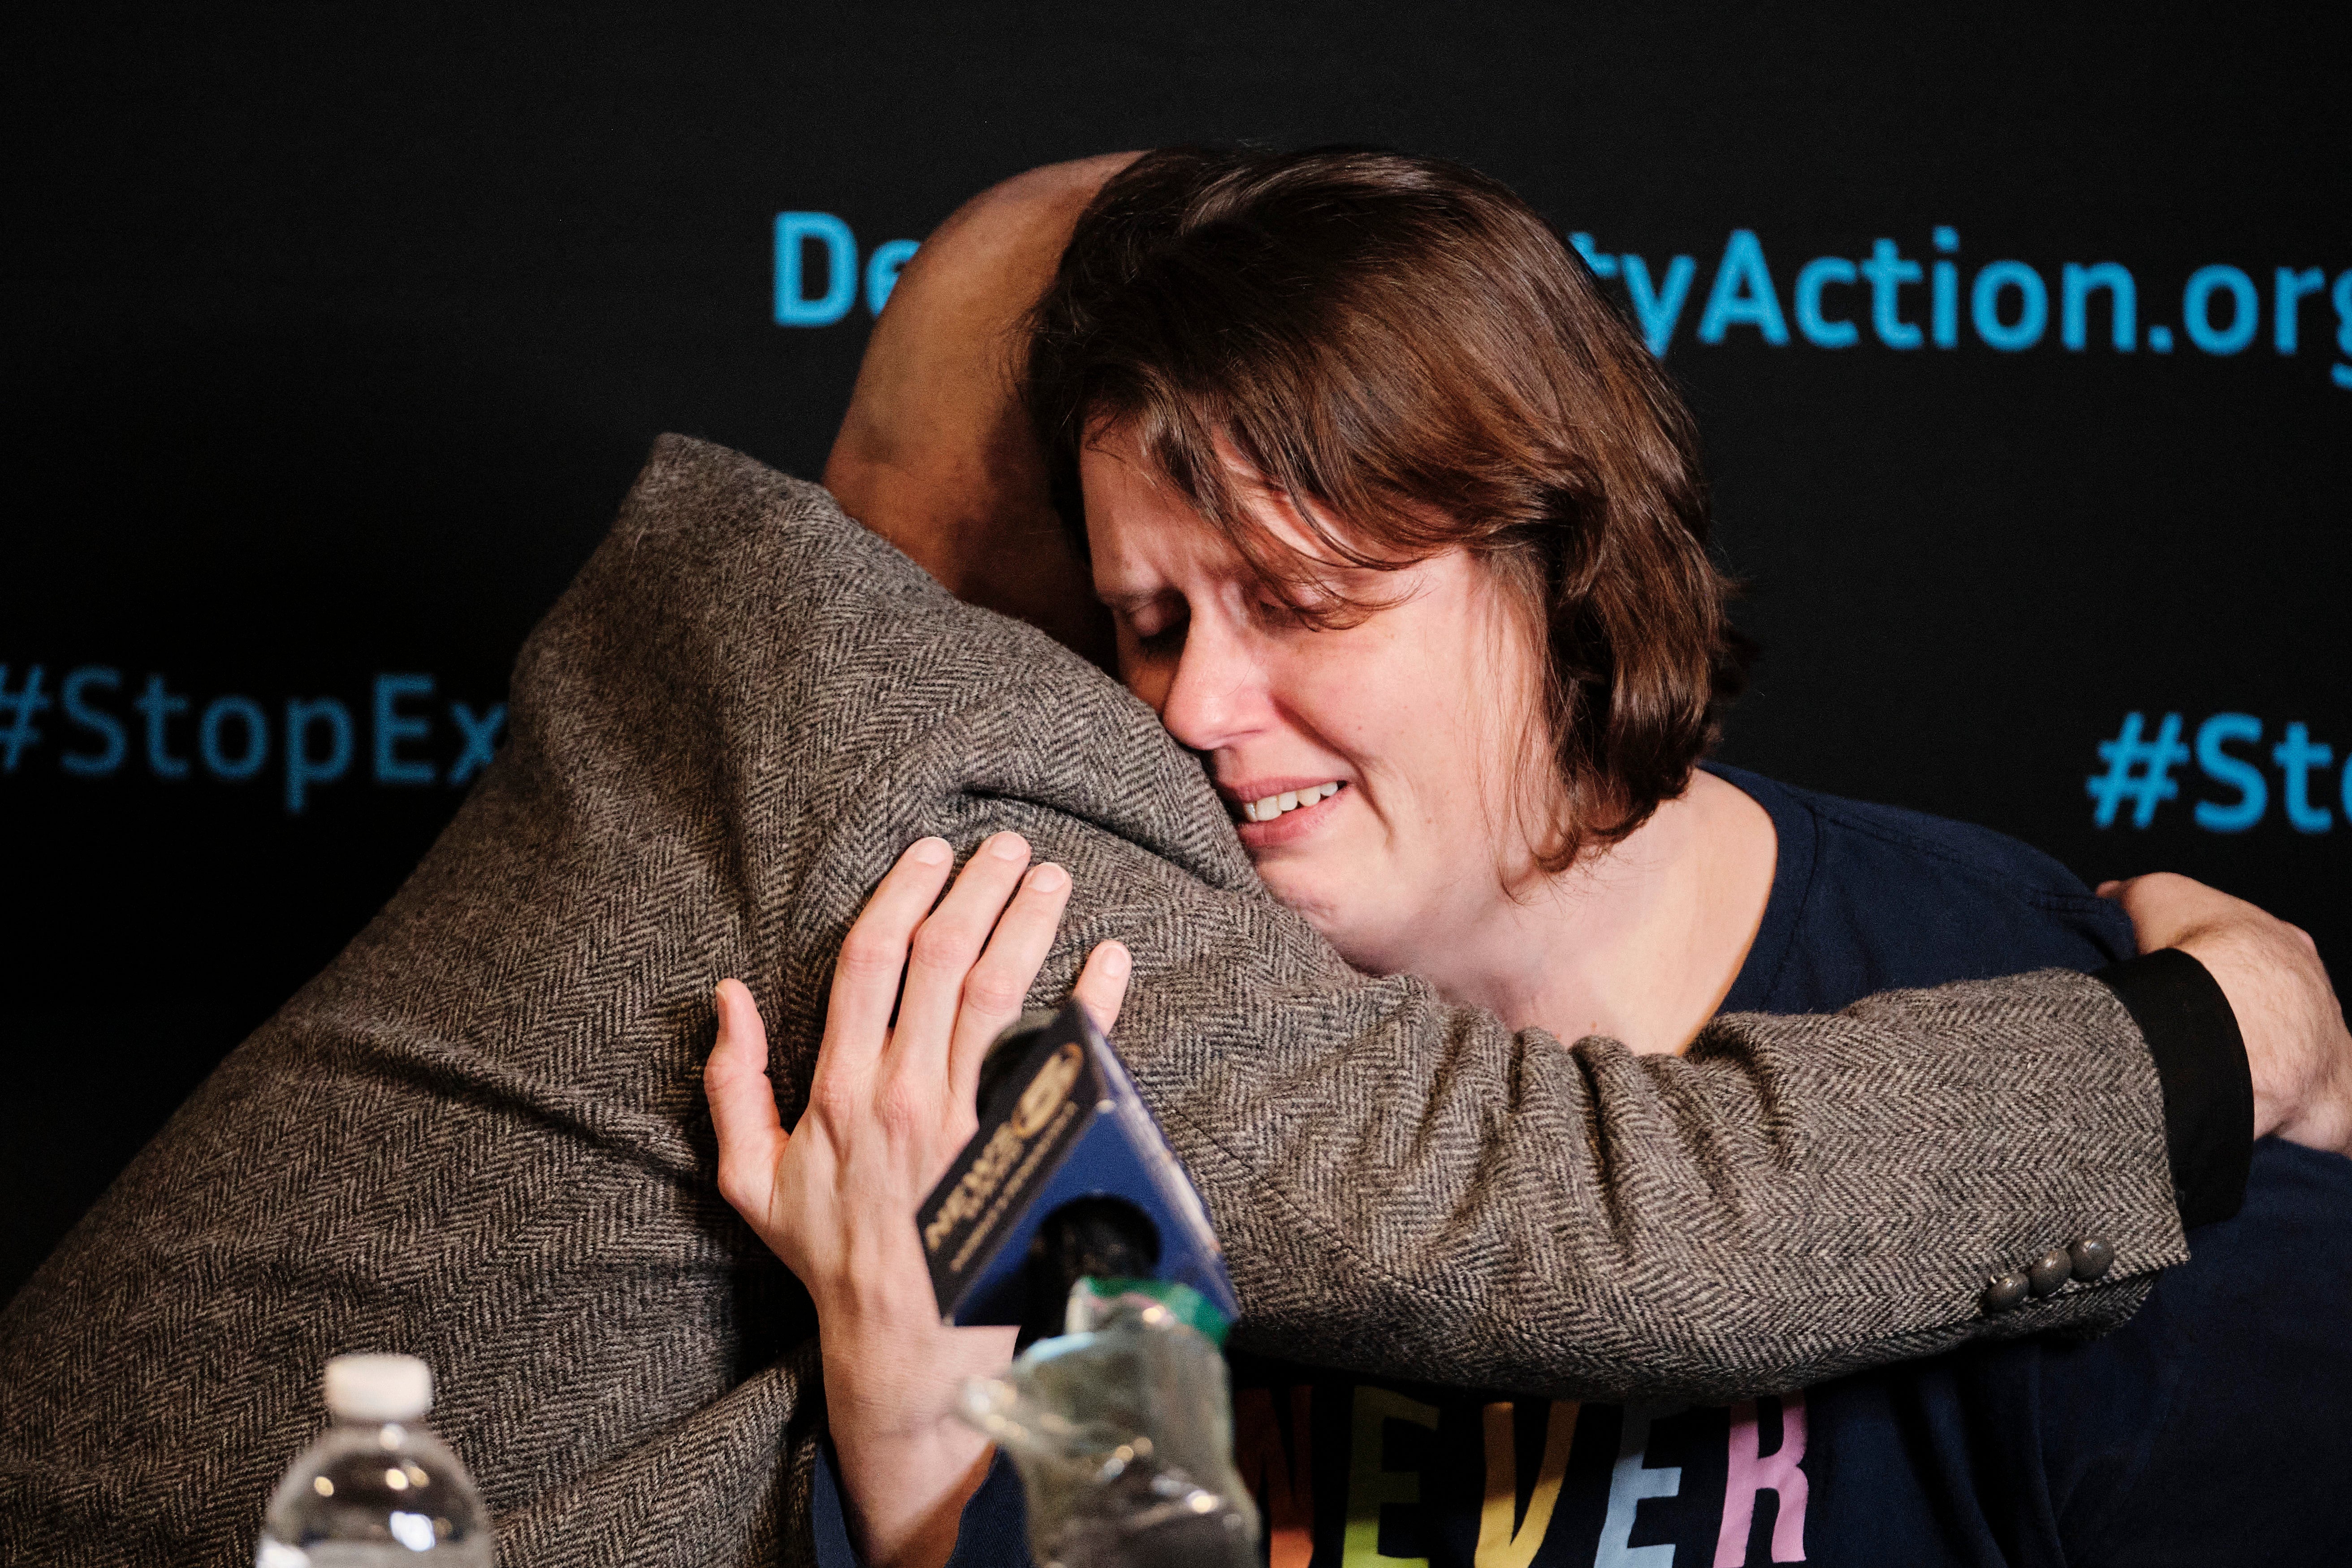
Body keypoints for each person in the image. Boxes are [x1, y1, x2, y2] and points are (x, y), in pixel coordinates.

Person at [707, 148, 2352, 1565]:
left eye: (1294, 600)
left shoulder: (2064, 1062)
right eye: (1151, 623)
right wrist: (931, 1473)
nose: (1193, 703)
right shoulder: (1103, 1078)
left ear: (1557, 562)